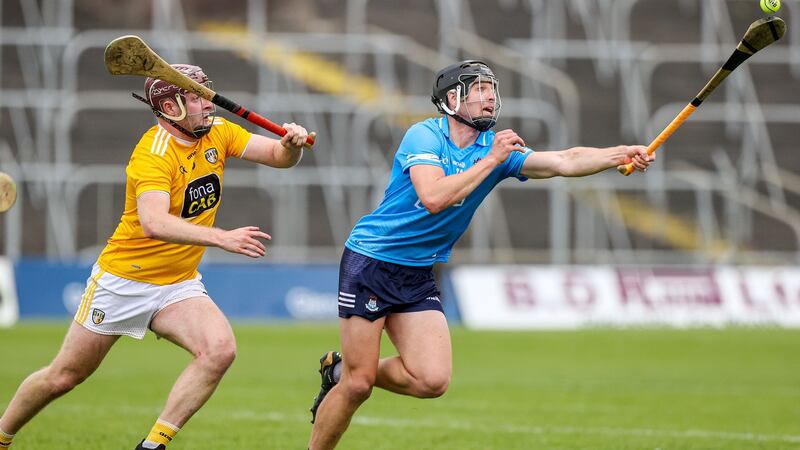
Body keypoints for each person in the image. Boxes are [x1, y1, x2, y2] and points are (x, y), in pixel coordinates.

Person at [306, 60, 653, 450]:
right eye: (480, 89)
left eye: (492, 89)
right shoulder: (424, 136)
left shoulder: (494, 148)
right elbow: (435, 197)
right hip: (373, 261)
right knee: (359, 386)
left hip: (418, 270)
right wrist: (492, 161)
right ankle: (343, 387)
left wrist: (620, 154)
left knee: (431, 380)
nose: (491, 98)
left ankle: (339, 370)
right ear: (453, 98)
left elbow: (563, 160)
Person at [0, 64, 311, 450]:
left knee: (219, 349)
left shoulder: (218, 132)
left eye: (206, 92)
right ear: (172, 106)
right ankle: (1, 436)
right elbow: (153, 222)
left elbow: (277, 157)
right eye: (197, 97)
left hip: (177, 283)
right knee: (63, 377)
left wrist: (289, 146)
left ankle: (152, 445)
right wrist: (221, 238)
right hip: (123, 281)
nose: (208, 103)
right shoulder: (153, 154)